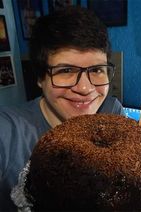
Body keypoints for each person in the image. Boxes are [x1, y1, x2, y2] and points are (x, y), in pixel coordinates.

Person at [0, 6, 124, 211]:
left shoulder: (111, 113)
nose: (85, 88)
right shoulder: (8, 132)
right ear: (40, 78)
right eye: (66, 70)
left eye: (96, 70)